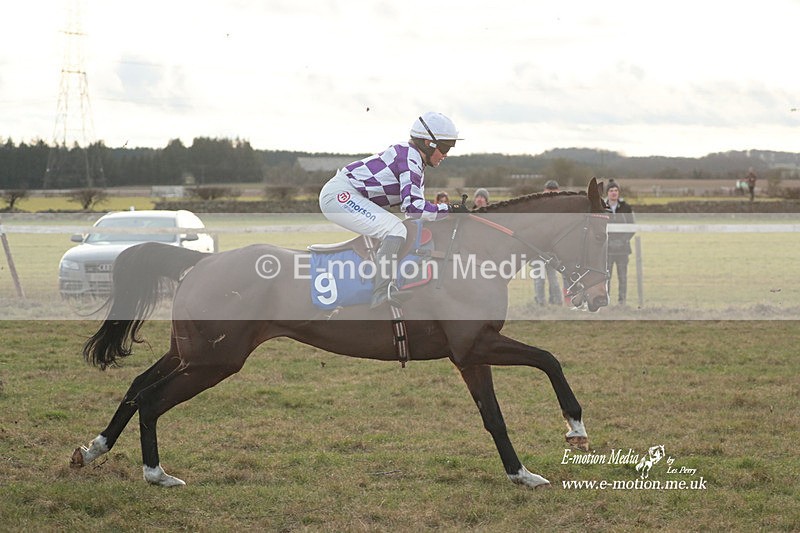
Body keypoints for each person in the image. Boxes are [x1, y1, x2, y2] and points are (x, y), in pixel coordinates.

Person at [319, 112, 466, 308]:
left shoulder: (415, 162)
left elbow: (415, 212)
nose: (447, 154)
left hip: (349, 194)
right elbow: (414, 208)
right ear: (427, 143)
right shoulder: (409, 157)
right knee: (395, 230)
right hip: (340, 195)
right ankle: (381, 292)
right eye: (445, 147)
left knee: (398, 228)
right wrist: (449, 209)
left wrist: (447, 212)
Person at [605, 179, 635, 305]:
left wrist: (623, 241)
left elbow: (632, 227)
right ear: (607, 193)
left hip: (623, 249)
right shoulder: (601, 208)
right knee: (606, 278)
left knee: (622, 277)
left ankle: (622, 302)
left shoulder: (626, 208)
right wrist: (608, 242)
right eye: (611, 190)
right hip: (606, 250)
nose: (614, 193)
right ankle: (605, 301)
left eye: (616, 190)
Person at [533, 180, 563, 305]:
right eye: (549, 190)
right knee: (540, 279)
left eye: (553, 190)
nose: (551, 193)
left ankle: (556, 301)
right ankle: (541, 302)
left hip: (551, 251)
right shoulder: (537, 207)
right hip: (537, 249)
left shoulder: (561, 209)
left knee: (552, 278)